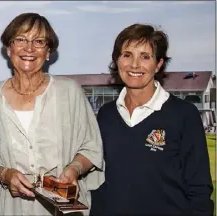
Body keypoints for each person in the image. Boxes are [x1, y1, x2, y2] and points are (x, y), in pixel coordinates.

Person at [0, 12, 105, 215]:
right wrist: (5, 174)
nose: (29, 48)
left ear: (48, 52)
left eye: (39, 41)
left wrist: (74, 168)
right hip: (11, 207)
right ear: (8, 49)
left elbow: (92, 148)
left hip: (64, 203)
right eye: (20, 39)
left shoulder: (69, 92)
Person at [90, 23, 214, 215]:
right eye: (127, 55)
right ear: (117, 60)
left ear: (158, 64)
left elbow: (199, 189)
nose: (135, 65)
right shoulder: (106, 114)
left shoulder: (184, 115)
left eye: (145, 57)